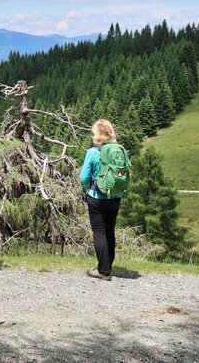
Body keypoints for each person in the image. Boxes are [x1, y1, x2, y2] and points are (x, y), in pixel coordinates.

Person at [79, 119, 124, 281]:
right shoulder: (119, 151)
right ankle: (108, 266)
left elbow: (83, 178)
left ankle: (103, 271)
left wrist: (91, 180)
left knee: (100, 232)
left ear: (97, 134)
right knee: (110, 231)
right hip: (116, 197)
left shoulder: (93, 152)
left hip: (97, 197)